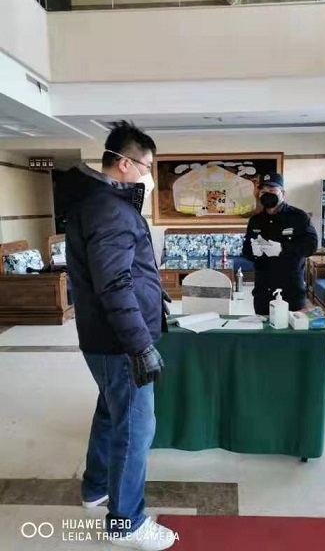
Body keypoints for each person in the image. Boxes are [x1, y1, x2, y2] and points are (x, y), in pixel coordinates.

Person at [63, 121, 175, 550]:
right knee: (134, 429)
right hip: (119, 342)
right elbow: (113, 284)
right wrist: (140, 344)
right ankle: (126, 523)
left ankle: (95, 488)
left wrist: (154, 293)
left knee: (111, 414)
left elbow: (121, 272)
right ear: (124, 163)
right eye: (146, 166)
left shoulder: (98, 203)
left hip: (103, 337)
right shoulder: (111, 210)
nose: (149, 176)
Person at [242, 172, 318, 315]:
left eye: (272, 190)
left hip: (291, 291)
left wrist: (282, 249)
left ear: (282, 193)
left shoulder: (299, 217)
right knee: (263, 328)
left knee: (293, 328)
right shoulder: (255, 220)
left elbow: (311, 247)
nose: (267, 194)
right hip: (263, 291)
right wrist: (254, 252)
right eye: (263, 191)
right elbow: (245, 251)